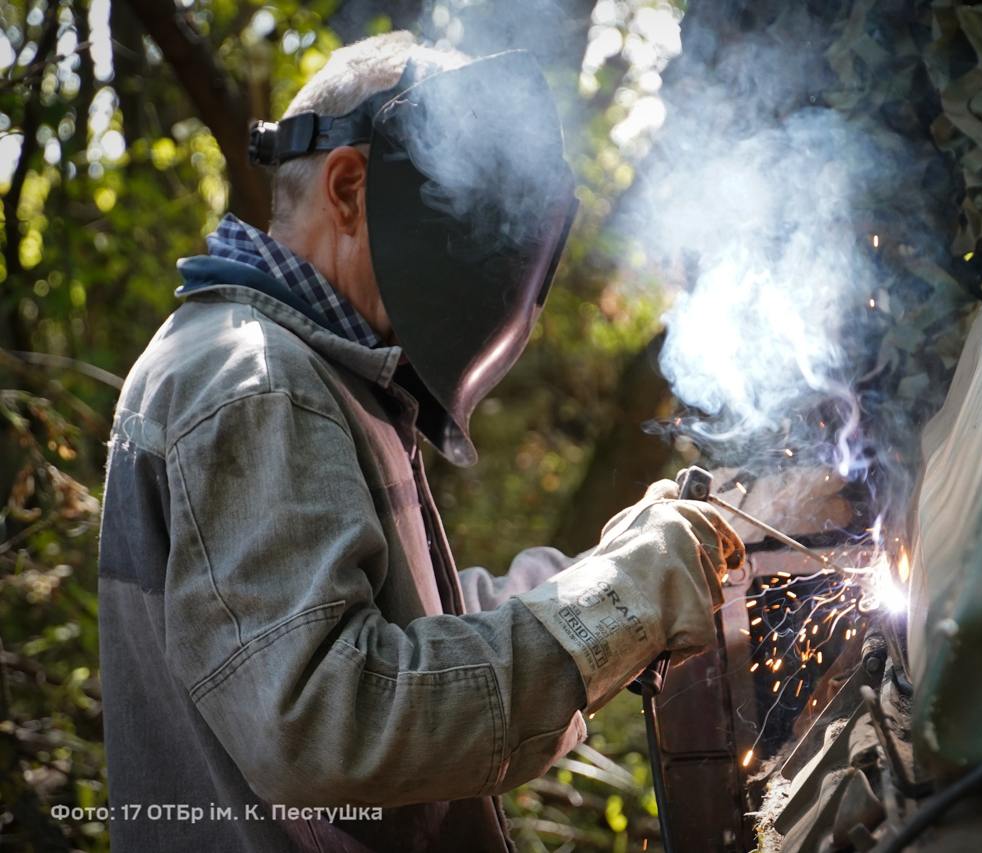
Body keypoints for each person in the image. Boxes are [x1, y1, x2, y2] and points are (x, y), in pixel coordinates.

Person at [97, 32, 743, 852]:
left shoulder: (309, 368)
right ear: (350, 186)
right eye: (464, 206)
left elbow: (400, 626)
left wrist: (608, 573)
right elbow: (334, 718)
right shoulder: (254, 378)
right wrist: (620, 600)